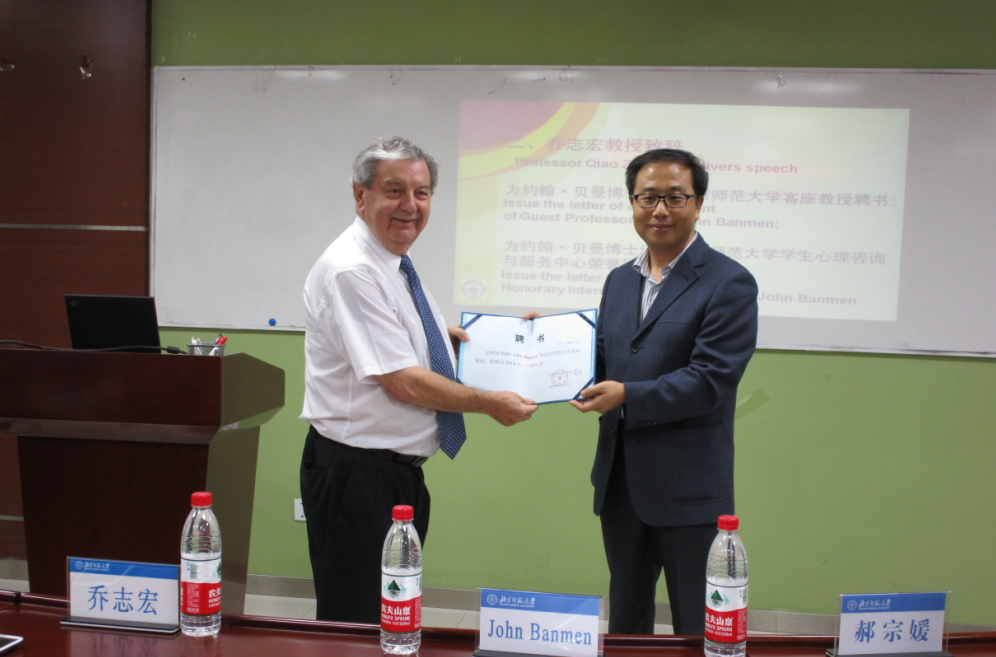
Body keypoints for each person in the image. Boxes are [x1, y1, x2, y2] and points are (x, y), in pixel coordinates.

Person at [300, 136, 537, 623]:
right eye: (395, 191)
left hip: (392, 473)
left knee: (390, 611)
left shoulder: (392, 262)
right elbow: (402, 381)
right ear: (360, 194)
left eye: (422, 192)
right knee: (357, 620)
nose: (410, 205)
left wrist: (468, 344)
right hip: (358, 475)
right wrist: (490, 402)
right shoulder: (353, 270)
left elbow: (401, 343)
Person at [571, 148, 758, 635]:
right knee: (626, 620)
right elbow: (602, 359)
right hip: (620, 483)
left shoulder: (729, 282)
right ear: (632, 202)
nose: (659, 210)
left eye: (675, 197)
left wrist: (627, 395)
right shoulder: (619, 280)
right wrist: (543, 344)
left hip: (688, 489)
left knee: (696, 623)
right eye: (647, 197)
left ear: (699, 204)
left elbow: (710, 380)